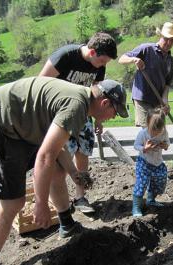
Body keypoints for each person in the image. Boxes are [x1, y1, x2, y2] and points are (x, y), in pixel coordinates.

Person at [0, 77, 128, 265]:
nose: (114, 117)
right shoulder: (76, 106)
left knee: (57, 169)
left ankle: (66, 223)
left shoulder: (81, 102)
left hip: (20, 127)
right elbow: (45, 156)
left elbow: (57, 148)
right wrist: (41, 204)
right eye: (115, 111)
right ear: (105, 103)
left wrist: (73, 173)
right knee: (12, 203)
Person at [39, 32, 117, 213]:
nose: (103, 66)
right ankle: (59, 202)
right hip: (59, 113)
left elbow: (98, 95)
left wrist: (98, 119)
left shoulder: (99, 67)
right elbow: (40, 82)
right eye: (102, 61)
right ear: (92, 52)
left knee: (84, 150)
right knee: (61, 158)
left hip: (83, 112)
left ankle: (80, 197)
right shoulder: (65, 56)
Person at [118, 22, 173, 127]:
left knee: (159, 132)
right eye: (166, 39)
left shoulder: (171, 60)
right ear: (161, 36)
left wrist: (165, 101)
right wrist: (134, 59)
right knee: (147, 131)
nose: (169, 43)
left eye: (172, 40)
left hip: (158, 102)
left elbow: (167, 84)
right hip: (143, 99)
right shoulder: (146, 49)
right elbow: (122, 59)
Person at [132, 108, 170, 217]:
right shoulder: (143, 134)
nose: (156, 133)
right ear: (148, 124)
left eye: (159, 130)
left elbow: (167, 143)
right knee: (141, 183)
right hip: (144, 162)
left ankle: (151, 199)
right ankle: (136, 207)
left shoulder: (164, 133)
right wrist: (144, 148)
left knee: (160, 179)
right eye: (153, 130)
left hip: (158, 163)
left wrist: (165, 146)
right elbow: (136, 146)